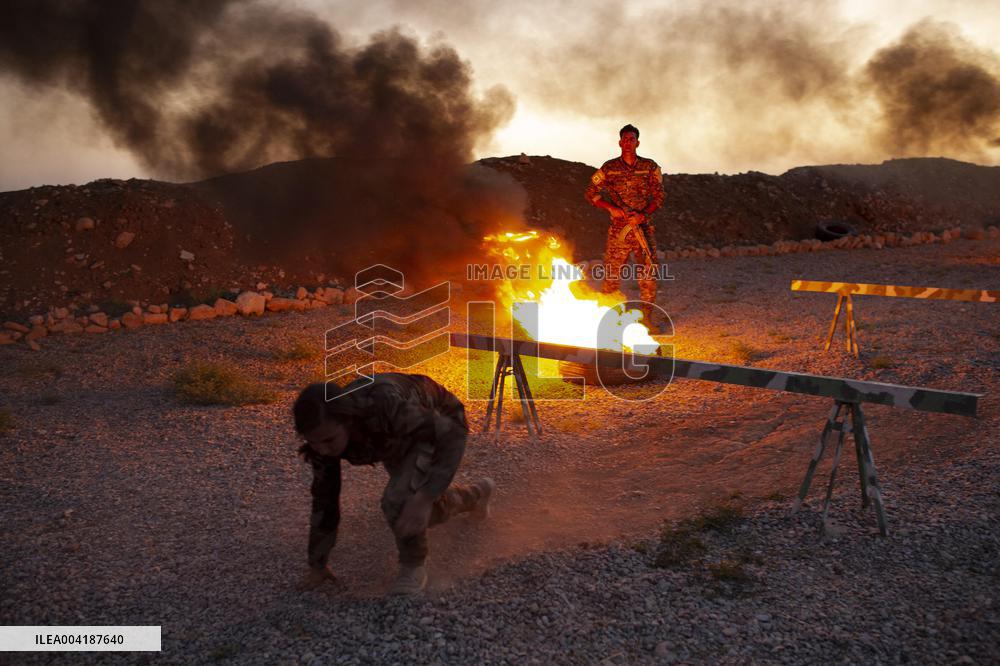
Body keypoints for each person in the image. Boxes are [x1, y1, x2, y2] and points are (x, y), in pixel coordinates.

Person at [292, 373, 494, 596]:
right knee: (414, 510)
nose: (323, 450)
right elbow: (325, 499)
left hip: (439, 419)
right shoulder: (324, 436)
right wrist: (317, 564)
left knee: (402, 501)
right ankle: (474, 496)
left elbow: (450, 432)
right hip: (397, 435)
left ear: (347, 420)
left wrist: (425, 497)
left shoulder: (384, 406)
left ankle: (413, 566)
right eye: (314, 442)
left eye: (329, 440)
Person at [584, 123, 666, 329]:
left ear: (638, 142)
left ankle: (647, 319)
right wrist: (609, 207)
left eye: (632, 139)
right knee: (611, 274)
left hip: (642, 229)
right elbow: (590, 193)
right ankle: (607, 320)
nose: (628, 142)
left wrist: (643, 214)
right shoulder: (609, 168)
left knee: (648, 275)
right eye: (625, 139)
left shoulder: (649, 167)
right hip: (619, 231)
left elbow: (659, 196)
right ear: (619, 142)